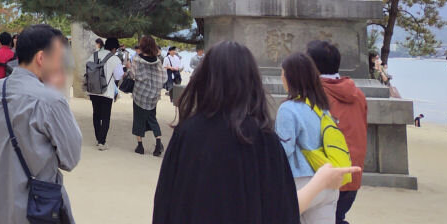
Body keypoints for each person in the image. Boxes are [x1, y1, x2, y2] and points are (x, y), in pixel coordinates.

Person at [153, 41, 358, 224]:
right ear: (251, 81)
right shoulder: (264, 140)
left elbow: (164, 203)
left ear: (205, 78)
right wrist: (320, 182)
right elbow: (282, 213)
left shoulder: (187, 133)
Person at [0, 24, 81, 224]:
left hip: (1, 206)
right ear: (41, 58)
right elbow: (70, 158)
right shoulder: (51, 100)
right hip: (38, 211)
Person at [307, 40, 367, 224]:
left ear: (311, 66)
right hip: (352, 176)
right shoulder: (358, 95)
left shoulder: (313, 96)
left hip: (325, 177)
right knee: (336, 217)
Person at [277, 52, 339, 224]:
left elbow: (284, 151)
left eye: (283, 73)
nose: (281, 77)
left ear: (290, 77)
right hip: (327, 181)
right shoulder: (322, 107)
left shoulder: (287, 109)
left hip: (300, 183)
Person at [130, 35, 168, 156]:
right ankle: (158, 143)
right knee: (152, 119)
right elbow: (164, 77)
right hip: (153, 95)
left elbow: (133, 75)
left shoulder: (137, 59)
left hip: (140, 94)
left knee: (138, 119)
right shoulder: (157, 60)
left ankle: (140, 146)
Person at [86, 37, 125, 151]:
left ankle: (98, 138)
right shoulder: (114, 58)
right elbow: (118, 76)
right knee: (106, 117)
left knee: (96, 115)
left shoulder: (93, 55)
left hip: (93, 90)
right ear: (114, 48)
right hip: (106, 91)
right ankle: (102, 142)